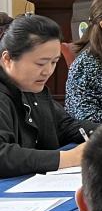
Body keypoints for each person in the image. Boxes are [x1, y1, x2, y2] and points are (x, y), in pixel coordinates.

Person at [0, 14, 93, 177]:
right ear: (7, 59)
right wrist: (68, 158)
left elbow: (66, 126)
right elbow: (3, 155)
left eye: (54, 62)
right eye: (40, 63)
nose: (48, 71)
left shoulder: (33, 88)